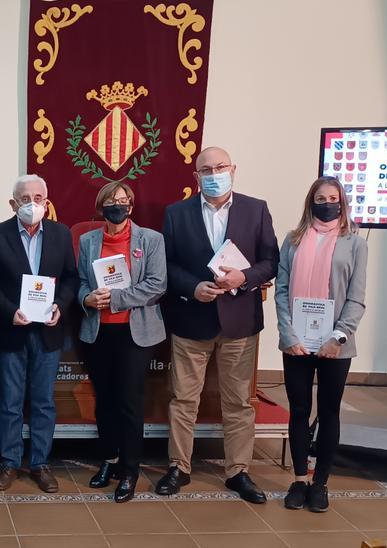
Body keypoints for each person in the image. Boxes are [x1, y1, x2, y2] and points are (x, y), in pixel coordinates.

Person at [158, 146, 278, 504]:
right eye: (206, 169)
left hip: (239, 321)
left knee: (239, 401)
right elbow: (167, 265)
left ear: (233, 169)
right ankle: (179, 467)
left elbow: (271, 261)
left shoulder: (256, 209)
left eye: (220, 167)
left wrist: (244, 276)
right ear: (195, 177)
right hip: (192, 320)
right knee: (183, 399)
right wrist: (192, 287)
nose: (214, 174)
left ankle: (238, 471)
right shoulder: (176, 213)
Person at [275, 176, 368, 513]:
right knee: (299, 410)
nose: (326, 202)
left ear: (341, 203)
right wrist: (288, 335)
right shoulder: (293, 239)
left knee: (329, 413)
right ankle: (299, 480)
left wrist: (337, 338)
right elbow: (281, 289)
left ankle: (320, 484)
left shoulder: (355, 243)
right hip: (297, 343)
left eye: (332, 197)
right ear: (310, 201)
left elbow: (356, 300)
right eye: (320, 197)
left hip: (335, 346)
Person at [0, 174, 78, 493]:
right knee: (10, 401)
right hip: (13, 329)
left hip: (48, 330)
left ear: (47, 203)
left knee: (43, 401)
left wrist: (61, 306)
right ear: (13, 203)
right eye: (25, 199)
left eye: (38, 199)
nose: (32, 204)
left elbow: (70, 279)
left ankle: (39, 463)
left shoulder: (62, 235)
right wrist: (10, 311)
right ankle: (9, 462)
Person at [75, 182, 167, 503]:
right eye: (111, 201)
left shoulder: (151, 240)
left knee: (129, 401)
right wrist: (87, 297)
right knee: (105, 401)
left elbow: (156, 285)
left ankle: (129, 470)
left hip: (135, 332)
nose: (118, 205)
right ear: (101, 207)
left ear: (131, 205)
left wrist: (114, 299)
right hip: (99, 331)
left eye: (123, 200)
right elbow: (81, 282)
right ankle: (110, 461)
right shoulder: (88, 240)